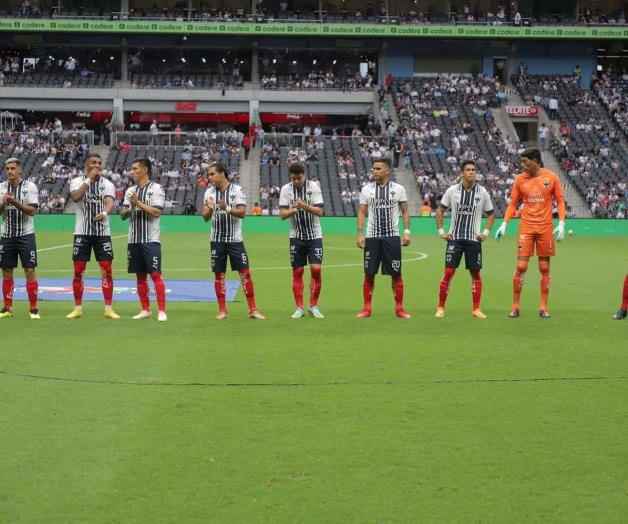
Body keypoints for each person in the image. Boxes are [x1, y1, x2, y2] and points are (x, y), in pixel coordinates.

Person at [495, 148, 566, 318]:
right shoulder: (520, 179)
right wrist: (504, 223)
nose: (522, 165)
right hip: (526, 226)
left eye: (525, 162)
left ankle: (543, 307)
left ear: (535, 161)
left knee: (544, 267)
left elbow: (560, 201)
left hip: (545, 228)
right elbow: (513, 204)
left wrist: (562, 222)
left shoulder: (551, 177)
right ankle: (515, 306)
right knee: (521, 266)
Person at [202, 162, 265, 320]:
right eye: (208, 174)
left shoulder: (237, 190)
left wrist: (227, 208)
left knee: (245, 274)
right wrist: (210, 208)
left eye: (212, 174)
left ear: (222, 173)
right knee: (219, 275)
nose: (209, 177)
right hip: (216, 240)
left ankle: (253, 309)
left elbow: (242, 212)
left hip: (235, 240)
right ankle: (222, 310)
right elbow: (205, 217)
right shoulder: (209, 192)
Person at [435, 161, 495, 319]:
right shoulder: (452, 191)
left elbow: (491, 214)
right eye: (468, 170)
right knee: (448, 272)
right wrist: (442, 231)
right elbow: (440, 210)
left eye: (473, 170)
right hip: (454, 238)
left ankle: (476, 309)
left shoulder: (482, 192)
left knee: (476, 274)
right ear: (462, 173)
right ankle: (440, 307)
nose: (471, 172)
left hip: (474, 240)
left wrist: (486, 232)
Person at [66, 153, 120, 319]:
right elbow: (75, 197)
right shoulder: (76, 182)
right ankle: (77, 308)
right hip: (82, 233)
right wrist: (88, 180)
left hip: (102, 233)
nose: (97, 166)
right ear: (87, 165)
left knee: (106, 270)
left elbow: (110, 202)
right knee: (78, 271)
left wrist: (105, 212)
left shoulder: (108, 184)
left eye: (99, 163)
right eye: (93, 163)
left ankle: (108, 308)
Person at [356, 158, 411, 319]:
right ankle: (367, 309)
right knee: (369, 273)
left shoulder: (398, 189)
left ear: (387, 170)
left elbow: (405, 211)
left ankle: (399, 309)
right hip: (372, 237)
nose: (374, 171)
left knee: (396, 274)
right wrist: (360, 233)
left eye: (378, 168)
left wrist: (406, 231)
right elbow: (361, 212)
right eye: (373, 168)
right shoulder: (367, 189)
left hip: (392, 237)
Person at [120, 158, 167, 322]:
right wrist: (131, 207)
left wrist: (137, 203)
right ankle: (145, 309)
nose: (132, 172)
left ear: (145, 170)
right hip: (134, 240)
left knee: (155, 274)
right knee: (140, 276)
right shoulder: (130, 190)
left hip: (150, 240)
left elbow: (156, 212)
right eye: (132, 169)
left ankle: (162, 310)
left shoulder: (157, 189)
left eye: (135, 169)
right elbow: (122, 215)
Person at [278, 162, 325, 319]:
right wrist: (295, 209)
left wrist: (304, 206)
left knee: (316, 269)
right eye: (294, 178)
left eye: (299, 178)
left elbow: (320, 211)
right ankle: (299, 307)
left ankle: (314, 306)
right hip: (296, 236)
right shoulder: (286, 189)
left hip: (315, 236)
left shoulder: (314, 187)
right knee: (297, 272)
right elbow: (283, 215)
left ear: (304, 175)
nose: (296, 181)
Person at [0, 158, 40, 319]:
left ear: (20, 170)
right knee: (6, 271)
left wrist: (14, 201)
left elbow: (32, 211)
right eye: (7, 168)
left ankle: (33, 309)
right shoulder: (1, 187)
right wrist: (4, 202)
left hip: (26, 235)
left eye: (13, 168)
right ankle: (7, 308)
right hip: (7, 236)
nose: (9, 171)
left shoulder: (30, 187)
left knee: (29, 270)